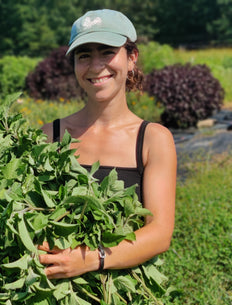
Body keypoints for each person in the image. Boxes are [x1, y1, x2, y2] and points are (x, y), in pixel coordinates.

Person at [38, 9, 177, 279]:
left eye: (107, 52)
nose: (96, 65)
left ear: (131, 58)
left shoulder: (152, 139)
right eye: (84, 55)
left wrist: (92, 258)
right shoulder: (49, 135)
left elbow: (159, 233)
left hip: (119, 297)